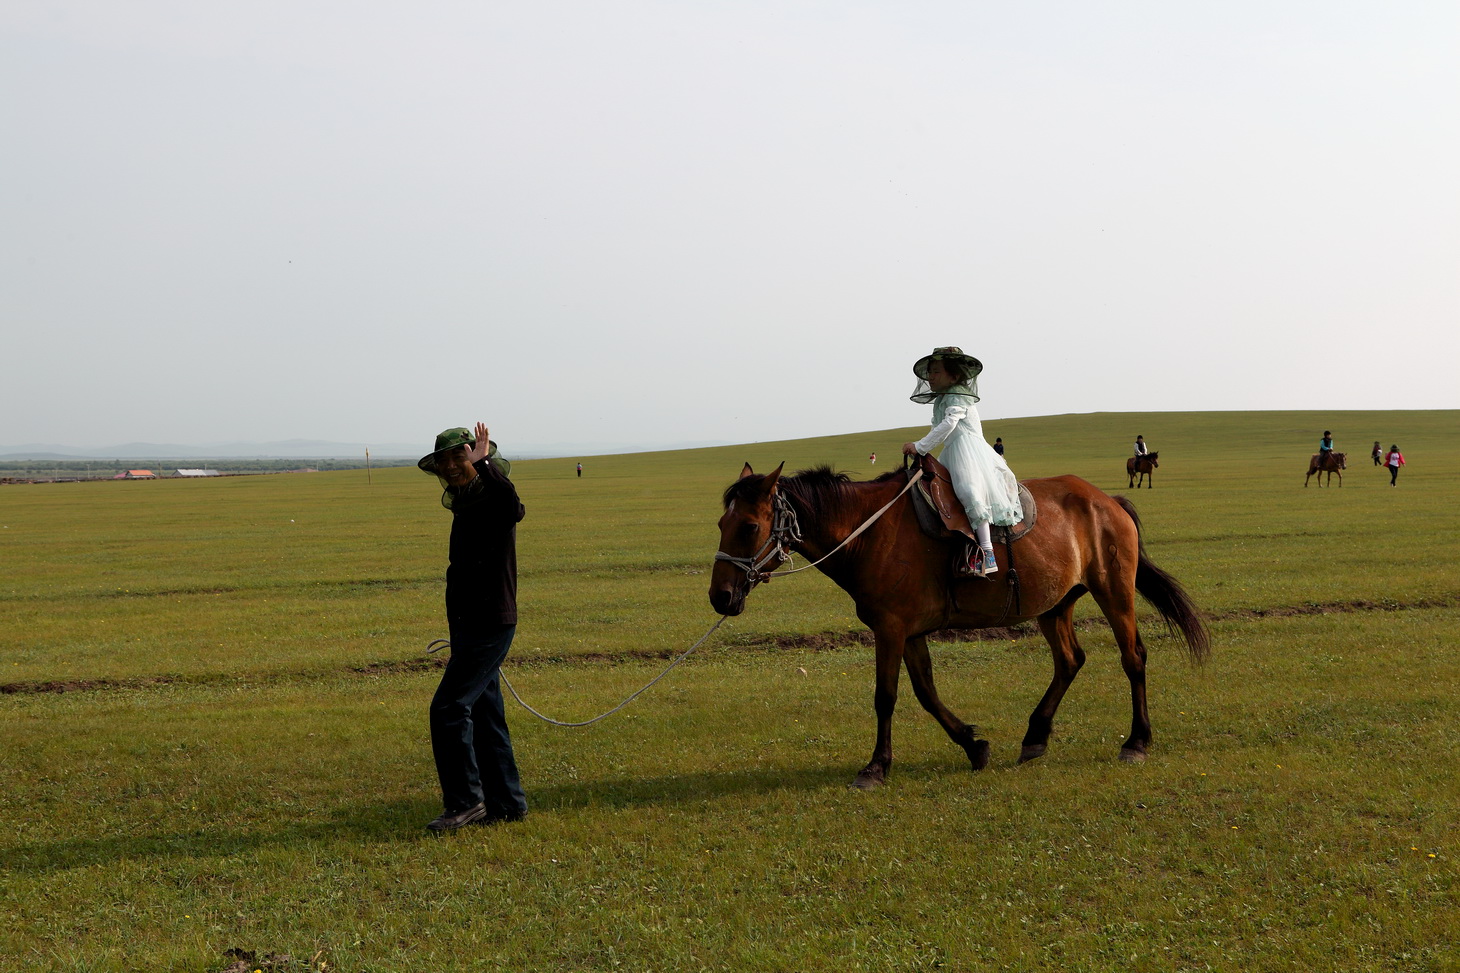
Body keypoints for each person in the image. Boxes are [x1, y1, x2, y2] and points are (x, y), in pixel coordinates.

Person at [418, 423, 529, 832]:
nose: (450, 466)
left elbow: (513, 506)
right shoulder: (466, 502)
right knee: (486, 713)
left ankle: (465, 802)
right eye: (444, 460)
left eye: (457, 457)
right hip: (469, 624)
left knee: (448, 709)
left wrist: (484, 464)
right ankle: (507, 803)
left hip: (489, 623)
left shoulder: (493, 497)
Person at [902, 347, 1022, 578]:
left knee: (970, 492)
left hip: (969, 450)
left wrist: (920, 446)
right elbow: (939, 428)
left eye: (936, 371)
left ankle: (987, 554)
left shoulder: (958, 394)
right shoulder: (943, 399)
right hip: (953, 451)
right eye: (930, 372)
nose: (931, 377)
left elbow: (949, 424)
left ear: (954, 376)